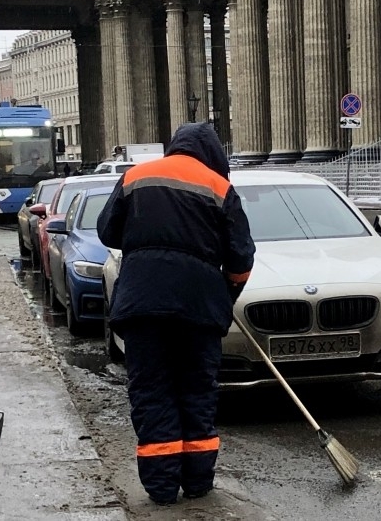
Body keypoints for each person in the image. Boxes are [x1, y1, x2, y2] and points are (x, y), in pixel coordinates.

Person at [96, 123, 255, 505]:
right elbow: (241, 258)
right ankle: (198, 483)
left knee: (152, 391)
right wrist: (225, 293)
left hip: (142, 306)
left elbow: (107, 231)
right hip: (198, 309)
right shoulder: (219, 187)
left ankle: (162, 488)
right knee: (196, 392)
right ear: (213, 155)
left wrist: (144, 241)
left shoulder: (136, 176)